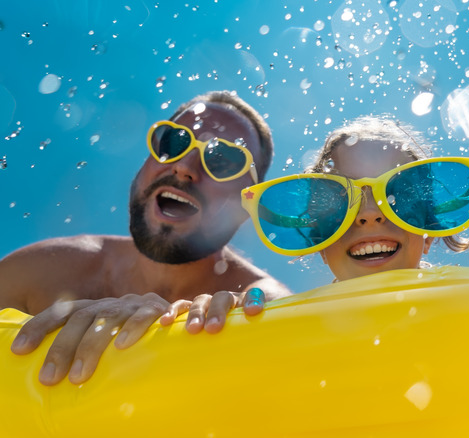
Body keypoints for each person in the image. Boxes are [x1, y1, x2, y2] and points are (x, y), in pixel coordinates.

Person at [0, 90, 291, 385]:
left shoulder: (257, 297)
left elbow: (281, 315)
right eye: (173, 142)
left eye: (223, 160)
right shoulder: (39, 271)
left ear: (246, 205)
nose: (184, 167)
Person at [184, 115, 469, 325]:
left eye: (401, 197)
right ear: (319, 239)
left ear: (429, 233)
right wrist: (231, 324)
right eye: (340, 204)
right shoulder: (291, 333)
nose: (370, 214)